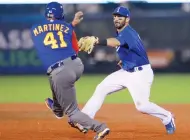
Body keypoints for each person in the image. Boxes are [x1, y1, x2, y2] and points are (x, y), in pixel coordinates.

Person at [80, 6, 176, 134]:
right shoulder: (121, 33)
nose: (117, 19)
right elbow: (128, 48)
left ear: (127, 19)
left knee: (142, 106)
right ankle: (85, 121)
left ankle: (167, 117)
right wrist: (125, 60)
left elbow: (115, 42)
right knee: (101, 88)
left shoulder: (128, 32)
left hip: (140, 74)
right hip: (126, 71)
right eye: (115, 16)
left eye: (120, 17)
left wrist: (97, 40)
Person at [31, 2, 110, 139]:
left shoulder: (34, 28)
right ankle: (57, 108)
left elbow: (49, 34)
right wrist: (72, 24)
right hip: (76, 65)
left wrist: (70, 24)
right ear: (60, 14)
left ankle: (100, 128)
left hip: (60, 72)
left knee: (72, 112)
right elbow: (74, 47)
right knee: (54, 77)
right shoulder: (67, 27)